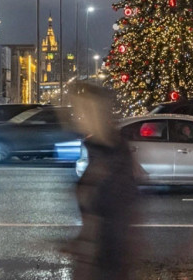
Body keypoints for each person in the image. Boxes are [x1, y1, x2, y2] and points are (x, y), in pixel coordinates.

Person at [64, 82, 138, 280]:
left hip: (105, 262)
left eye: (80, 110)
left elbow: (113, 213)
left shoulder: (112, 155)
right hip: (95, 257)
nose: (75, 118)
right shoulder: (99, 150)